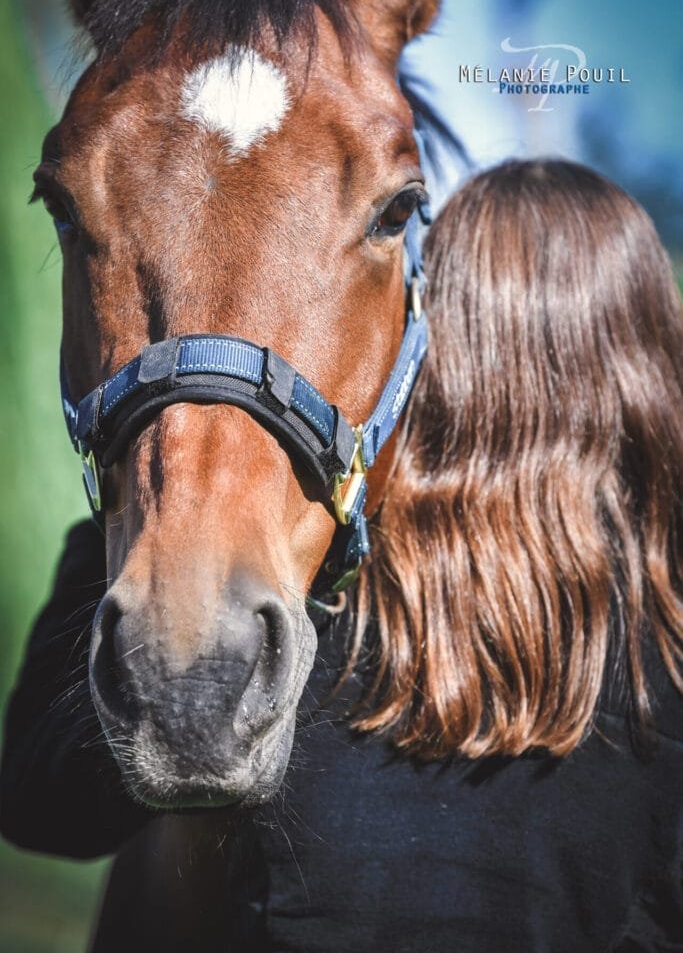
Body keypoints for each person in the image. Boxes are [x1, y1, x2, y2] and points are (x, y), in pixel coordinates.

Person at [2, 159, 682, 952]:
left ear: (426, 353)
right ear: (650, 371)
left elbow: (42, 809)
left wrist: (149, 523)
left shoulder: (297, 625)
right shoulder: (662, 665)